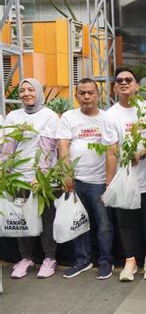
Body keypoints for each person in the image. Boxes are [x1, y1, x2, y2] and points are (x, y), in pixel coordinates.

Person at [102, 68, 146, 282]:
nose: (124, 83)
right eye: (119, 81)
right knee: (126, 223)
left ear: (137, 85)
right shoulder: (110, 115)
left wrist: (142, 153)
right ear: (115, 87)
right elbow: (110, 150)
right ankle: (130, 261)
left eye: (129, 80)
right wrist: (110, 183)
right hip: (124, 181)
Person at [56, 78, 114, 280]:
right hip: (75, 181)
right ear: (76, 96)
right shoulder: (68, 117)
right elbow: (63, 145)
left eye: (91, 93)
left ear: (98, 95)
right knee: (78, 222)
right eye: (82, 93)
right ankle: (82, 260)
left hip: (99, 182)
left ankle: (106, 261)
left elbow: (112, 151)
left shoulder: (107, 118)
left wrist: (109, 182)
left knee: (104, 225)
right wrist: (66, 173)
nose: (87, 97)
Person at [2, 78, 60, 279]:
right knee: (21, 217)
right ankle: (26, 258)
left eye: (30, 90)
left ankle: (49, 258)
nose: (26, 93)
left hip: (41, 179)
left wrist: (40, 177)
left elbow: (48, 148)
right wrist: (5, 171)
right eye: (22, 90)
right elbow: (7, 146)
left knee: (46, 218)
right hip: (17, 177)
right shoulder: (13, 116)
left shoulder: (49, 116)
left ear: (38, 92)